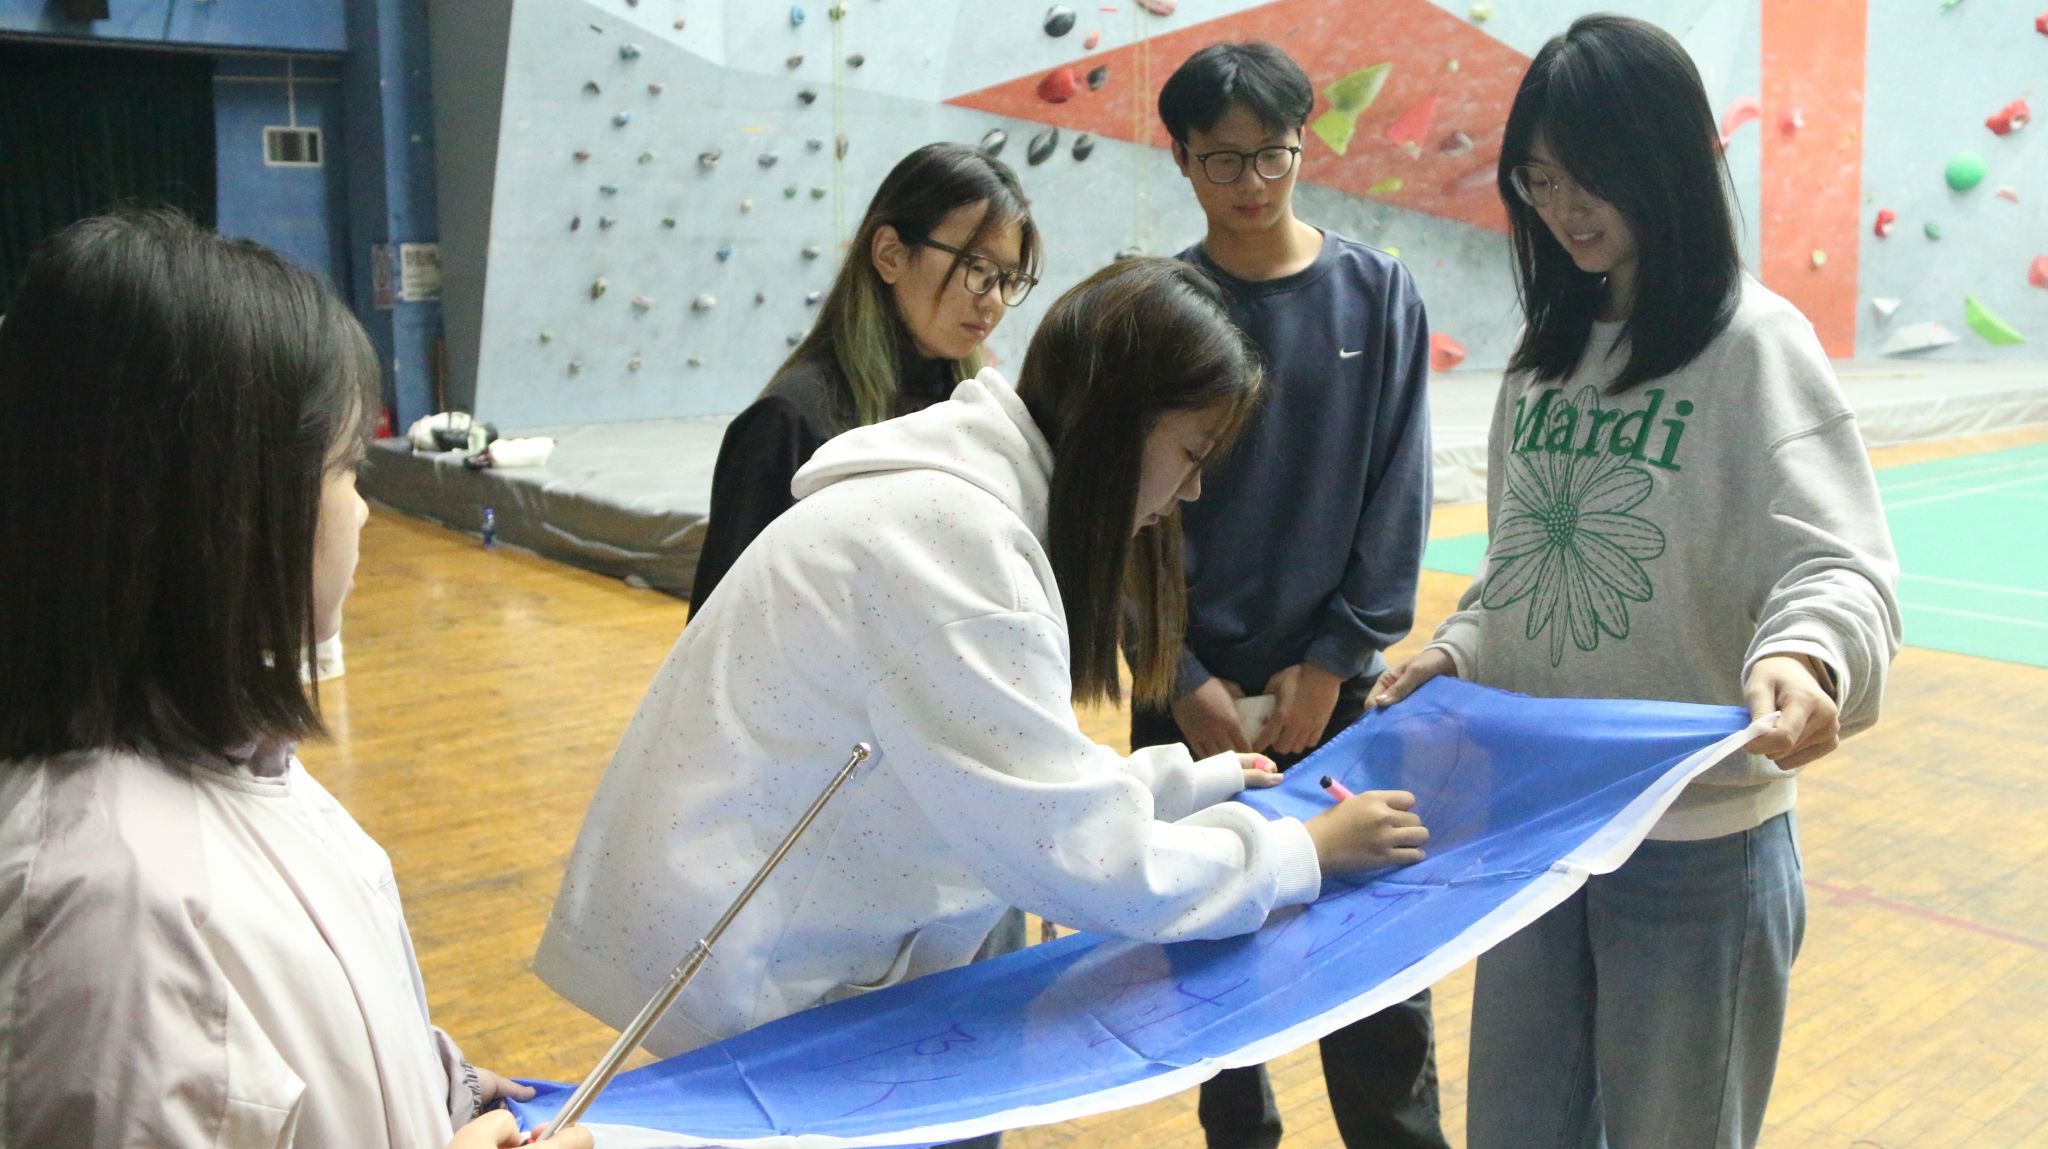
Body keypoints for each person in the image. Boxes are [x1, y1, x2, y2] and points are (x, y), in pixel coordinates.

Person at [535, 258, 1432, 1075]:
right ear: (1118, 426)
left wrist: (1176, 782)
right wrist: (1300, 851)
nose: (1189, 492)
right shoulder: (957, 546)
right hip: (745, 955)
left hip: (759, 917)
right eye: (1191, 455)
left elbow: (998, 769)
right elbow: (1069, 853)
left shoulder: (964, 505)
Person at [1371, 16, 1902, 1149]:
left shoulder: (1752, 345)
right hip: (1538, 826)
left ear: (1667, 160)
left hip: (1695, 843)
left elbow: (1839, 562)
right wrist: (1457, 650)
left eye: (1591, 176)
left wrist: (1802, 653)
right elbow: (1519, 568)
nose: (1564, 210)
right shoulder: (1543, 360)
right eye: (1539, 179)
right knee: (1516, 1130)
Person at [0, 210, 591, 1149]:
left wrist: (426, 1075)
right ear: (230, 502)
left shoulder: (229, 754)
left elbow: (274, 1044)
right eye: (346, 470)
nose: (362, 514)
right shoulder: (112, 910)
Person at [1130, 41, 1444, 1149]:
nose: (1252, 183)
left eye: (1272, 154)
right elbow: (1121, 517)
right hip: (1187, 704)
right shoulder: (1156, 307)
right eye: (1222, 160)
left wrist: (1332, 662)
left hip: (1338, 697)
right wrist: (1182, 679)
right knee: (1215, 979)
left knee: (1377, 981)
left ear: (1304, 144)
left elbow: (1398, 490)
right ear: (1180, 158)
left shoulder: (1376, 292)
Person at [688, 141, 1041, 609]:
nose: (993, 301)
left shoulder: (975, 413)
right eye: (978, 268)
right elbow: (722, 624)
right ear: (890, 254)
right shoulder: (788, 422)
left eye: (1009, 279)